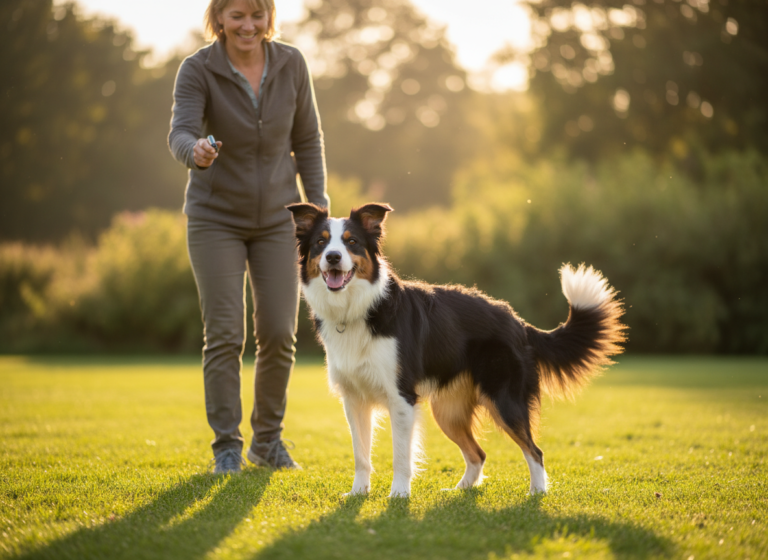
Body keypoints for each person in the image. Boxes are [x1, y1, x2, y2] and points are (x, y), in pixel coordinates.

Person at [168, 0, 329, 473]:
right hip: (215, 218)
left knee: (280, 332)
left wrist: (318, 212)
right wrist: (194, 151)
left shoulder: (291, 63)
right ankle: (226, 448)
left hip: (280, 221)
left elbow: (309, 140)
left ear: (268, 18)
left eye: (256, 15)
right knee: (224, 333)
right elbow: (180, 131)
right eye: (237, 15)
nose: (248, 25)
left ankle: (268, 442)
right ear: (219, 18)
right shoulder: (198, 69)